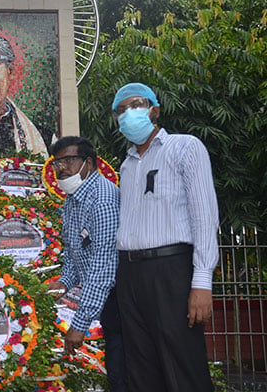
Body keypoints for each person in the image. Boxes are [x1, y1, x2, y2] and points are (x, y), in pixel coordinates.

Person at [112, 82, 218, 391]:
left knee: (182, 364)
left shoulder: (185, 147)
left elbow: (205, 215)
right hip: (130, 273)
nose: (128, 114)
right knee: (140, 367)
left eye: (136, 105)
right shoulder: (126, 165)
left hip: (171, 270)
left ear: (155, 111)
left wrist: (201, 281)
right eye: (121, 110)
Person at [47, 136, 127, 392]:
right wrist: (63, 283)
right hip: (107, 300)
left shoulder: (102, 199)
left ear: (89, 163)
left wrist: (79, 325)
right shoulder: (73, 198)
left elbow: (103, 269)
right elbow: (74, 252)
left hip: (122, 298)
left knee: (122, 371)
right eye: (57, 163)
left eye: (69, 160)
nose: (62, 168)